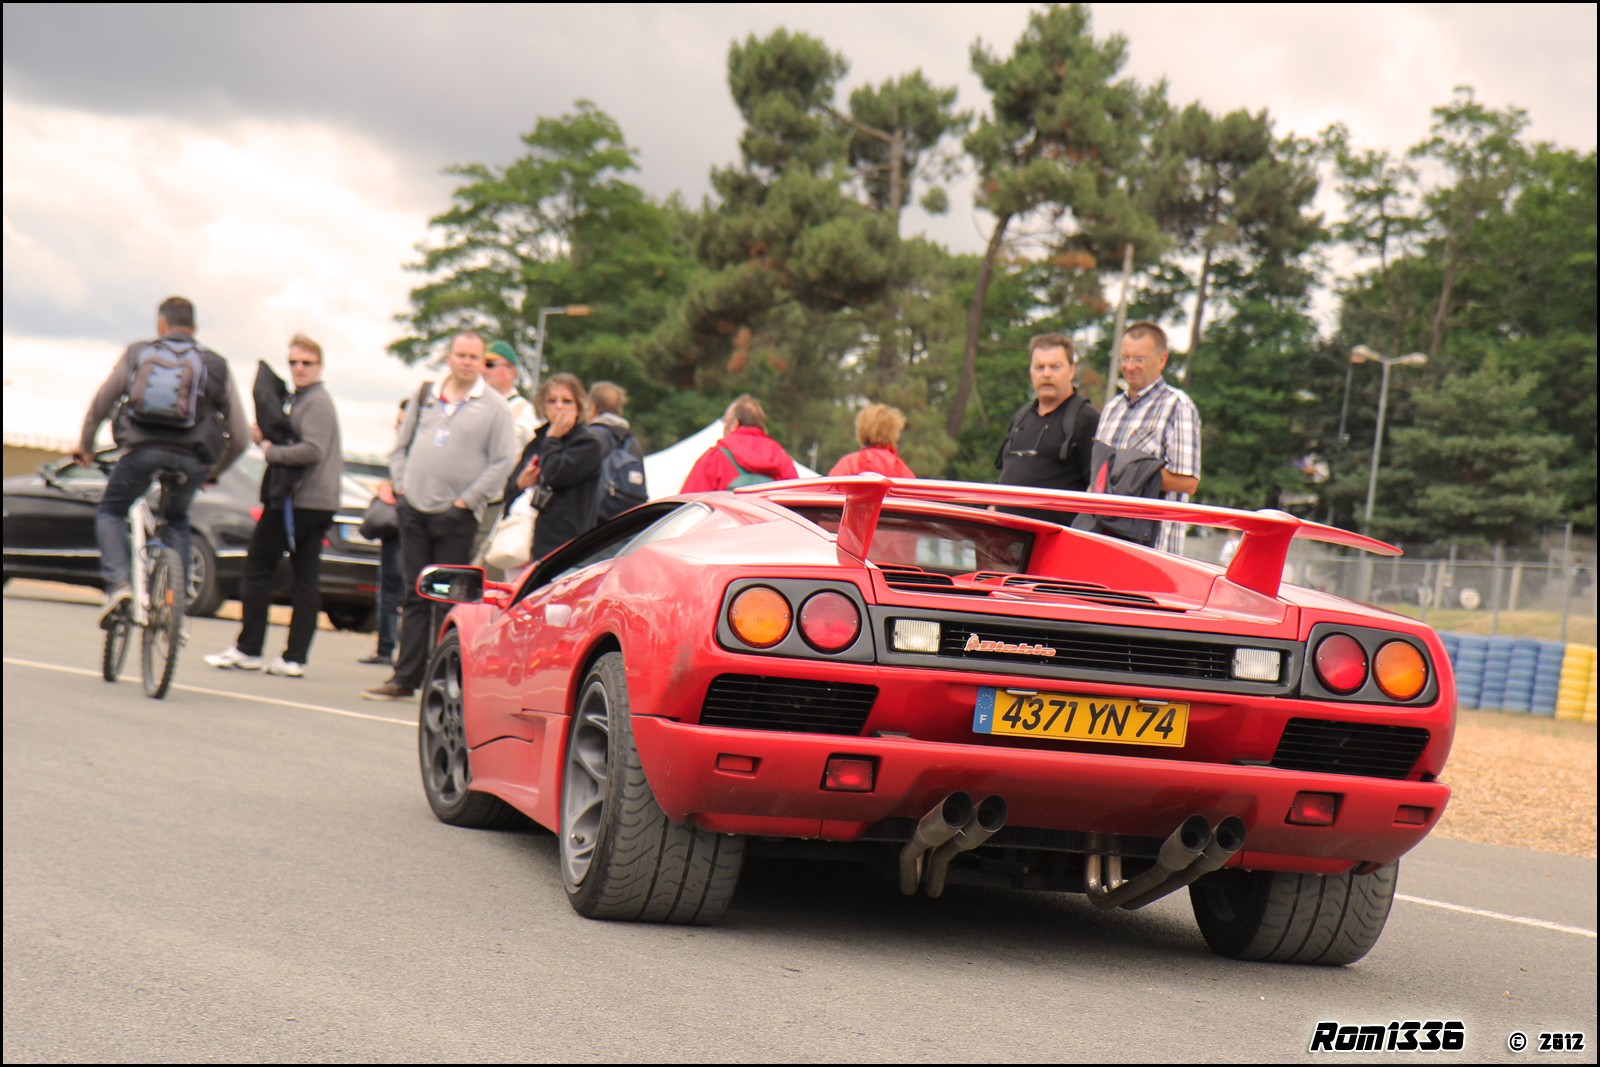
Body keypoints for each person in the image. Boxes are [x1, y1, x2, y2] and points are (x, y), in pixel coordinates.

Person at [74, 296, 248, 627]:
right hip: (193, 460)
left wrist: (86, 446)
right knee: (178, 520)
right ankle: (173, 602)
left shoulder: (138, 353)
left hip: (142, 451)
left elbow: (102, 403)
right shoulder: (216, 364)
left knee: (111, 510)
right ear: (194, 329)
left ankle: (120, 586)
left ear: (160, 325)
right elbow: (240, 436)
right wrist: (213, 471)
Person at [363, 331, 515, 702]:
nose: (466, 362)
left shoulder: (494, 407)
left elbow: (502, 462)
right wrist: (402, 488)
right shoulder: (426, 395)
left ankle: (445, 679)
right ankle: (405, 677)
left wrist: (467, 501)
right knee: (414, 593)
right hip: (414, 508)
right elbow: (400, 447)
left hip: (456, 517)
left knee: (449, 600)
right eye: (460, 354)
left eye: (474, 357)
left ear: (482, 363)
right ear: (448, 358)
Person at [205, 334, 342, 677]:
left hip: (299, 503)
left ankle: (250, 649)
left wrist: (268, 448)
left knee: (259, 568)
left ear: (320, 366)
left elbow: (313, 450)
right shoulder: (303, 399)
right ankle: (293, 658)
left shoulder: (317, 402)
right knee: (304, 577)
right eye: (294, 362)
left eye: (306, 363)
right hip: (309, 502)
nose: (299, 368)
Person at [1095, 321, 1201, 555]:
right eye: (1125, 358)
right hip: (1104, 541)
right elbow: (1097, 476)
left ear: (1162, 360)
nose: (1130, 366)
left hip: (1154, 549)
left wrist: (1130, 473)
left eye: (1139, 360)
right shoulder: (1112, 408)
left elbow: (1188, 482)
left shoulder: (1178, 406)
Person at [995, 333, 1099, 524]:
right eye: (1039, 367)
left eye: (1055, 367)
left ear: (1071, 371)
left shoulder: (1086, 420)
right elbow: (1003, 477)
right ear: (1030, 371)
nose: (1046, 374)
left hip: (1057, 543)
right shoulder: (1020, 418)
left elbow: (1097, 490)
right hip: (1005, 539)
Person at [503, 373, 607, 562]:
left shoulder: (588, 444)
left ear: (578, 407)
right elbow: (508, 489)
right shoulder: (536, 443)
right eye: (552, 401)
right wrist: (520, 483)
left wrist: (553, 439)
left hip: (563, 545)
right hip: (523, 539)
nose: (559, 406)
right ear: (542, 406)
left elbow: (554, 474)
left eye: (567, 401)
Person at [472, 340, 538, 565]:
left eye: (490, 364)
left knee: (480, 566)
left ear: (511, 371)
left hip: (497, 503)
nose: (483, 370)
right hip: (466, 500)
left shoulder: (525, 412)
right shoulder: (473, 406)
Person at [681, 395, 799, 492]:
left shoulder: (714, 458)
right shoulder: (783, 460)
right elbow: (796, 504)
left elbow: (688, 506)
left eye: (725, 423)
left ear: (734, 424)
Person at [587, 380, 649, 522]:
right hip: (624, 523)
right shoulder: (633, 442)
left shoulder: (591, 436)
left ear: (592, 408)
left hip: (595, 520)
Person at [829, 403, 916, 479]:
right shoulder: (904, 471)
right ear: (894, 433)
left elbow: (828, 493)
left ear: (861, 429)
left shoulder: (848, 464)